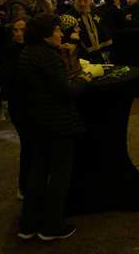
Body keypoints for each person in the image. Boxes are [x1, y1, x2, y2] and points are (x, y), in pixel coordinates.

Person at [17, 13, 91, 240]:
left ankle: (28, 224)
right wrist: (85, 79)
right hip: (57, 124)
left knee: (37, 171)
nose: (61, 34)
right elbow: (64, 92)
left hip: (36, 123)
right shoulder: (48, 57)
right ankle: (51, 226)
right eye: (57, 31)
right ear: (45, 35)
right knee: (60, 173)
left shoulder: (27, 53)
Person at [0, 17, 31, 198]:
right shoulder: (9, 51)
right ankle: (24, 187)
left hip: (33, 103)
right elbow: (6, 75)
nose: (19, 34)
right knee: (27, 144)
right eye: (16, 30)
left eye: (23, 30)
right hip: (19, 104)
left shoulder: (37, 48)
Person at [65, 0, 113, 64]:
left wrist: (106, 56)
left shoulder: (96, 12)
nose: (82, 3)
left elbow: (104, 34)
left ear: (90, 1)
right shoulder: (68, 17)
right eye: (79, 0)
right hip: (81, 58)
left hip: (99, 54)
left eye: (85, 0)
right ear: (74, 0)